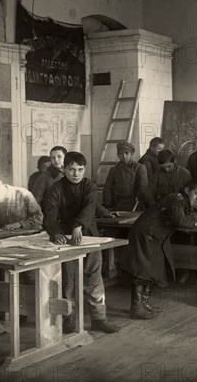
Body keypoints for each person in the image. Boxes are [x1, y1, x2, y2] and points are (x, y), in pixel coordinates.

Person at [44, 152, 120, 334]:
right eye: (71, 169)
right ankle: (69, 318)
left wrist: (78, 226)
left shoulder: (89, 185)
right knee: (68, 280)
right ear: (64, 169)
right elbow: (50, 216)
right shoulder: (55, 189)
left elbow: (89, 206)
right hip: (65, 238)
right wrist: (55, 233)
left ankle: (99, 318)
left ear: (84, 169)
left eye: (80, 170)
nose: (75, 174)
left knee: (94, 277)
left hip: (88, 234)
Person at [118, 182, 197, 319]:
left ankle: (143, 303)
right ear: (187, 189)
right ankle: (137, 307)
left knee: (151, 270)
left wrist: (193, 216)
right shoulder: (177, 199)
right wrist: (196, 221)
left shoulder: (181, 201)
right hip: (146, 234)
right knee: (143, 271)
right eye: (196, 193)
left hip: (152, 235)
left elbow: (182, 217)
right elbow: (180, 221)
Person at [103, 142, 148, 211]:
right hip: (118, 204)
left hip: (134, 205)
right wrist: (107, 204)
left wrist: (139, 204)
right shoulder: (114, 170)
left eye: (127, 153)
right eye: (121, 153)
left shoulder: (139, 168)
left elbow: (143, 188)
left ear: (131, 154)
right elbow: (108, 188)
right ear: (118, 155)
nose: (124, 156)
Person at [32, 145, 67, 212]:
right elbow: (35, 200)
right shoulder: (44, 176)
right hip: (51, 213)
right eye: (53, 158)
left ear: (65, 157)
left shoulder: (71, 173)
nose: (56, 160)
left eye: (59, 156)